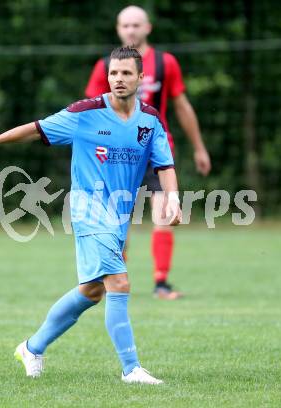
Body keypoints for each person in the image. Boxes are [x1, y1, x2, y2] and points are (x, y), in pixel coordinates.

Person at [0, 47, 181, 385]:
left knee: (93, 291)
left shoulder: (150, 119)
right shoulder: (86, 113)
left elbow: (164, 164)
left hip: (120, 215)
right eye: (113, 73)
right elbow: (36, 129)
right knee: (119, 282)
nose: (118, 79)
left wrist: (173, 198)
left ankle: (32, 347)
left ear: (140, 78)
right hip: (89, 210)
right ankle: (131, 369)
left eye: (126, 73)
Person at [86, 6, 211, 300]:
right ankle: (116, 281)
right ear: (118, 29)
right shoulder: (105, 65)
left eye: (136, 25)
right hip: (116, 151)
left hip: (155, 148)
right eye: (125, 25)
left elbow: (181, 106)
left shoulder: (165, 62)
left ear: (148, 28)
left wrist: (199, 147)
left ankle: (161, 284)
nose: (131, 30)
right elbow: (90, 108)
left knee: (164, 213)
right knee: (118, 220)